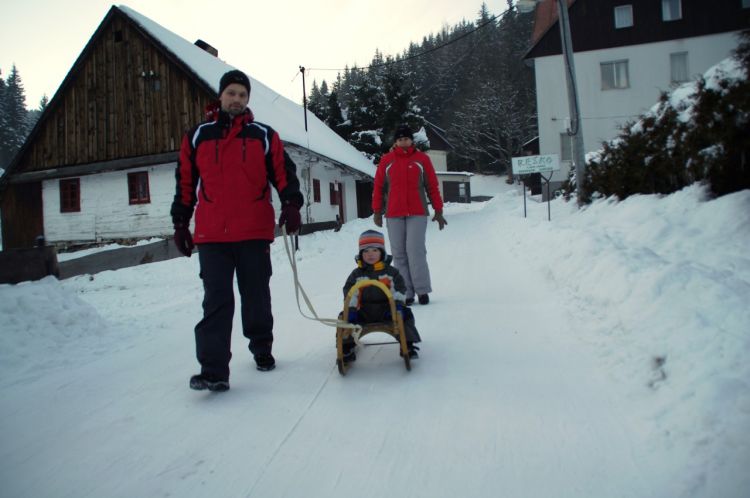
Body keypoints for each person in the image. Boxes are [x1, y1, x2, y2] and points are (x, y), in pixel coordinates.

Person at [170, 69, 304, 392]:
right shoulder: (197, 136)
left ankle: (261, 347)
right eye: (231, 93)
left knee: (256, 295)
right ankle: (214, 369)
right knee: (216, 300)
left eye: (242, 95)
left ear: (247, 101)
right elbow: (185, 183)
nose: (237, 99)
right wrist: (180, 223)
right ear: (220, 96)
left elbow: (283, 173)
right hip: (213, 234)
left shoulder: (263, 135)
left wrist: (291, 204)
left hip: (253, 231)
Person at [372, 124, 446, 306]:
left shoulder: (422, 160)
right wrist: (377, 211)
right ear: (395, 142)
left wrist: (438, 210)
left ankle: (422, 291)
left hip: (417, 212)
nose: (403, 142)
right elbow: (379, 187)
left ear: (411, 140)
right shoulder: (386, 161)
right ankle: (406, 292)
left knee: (416, 252)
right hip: (393, 213)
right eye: (399, 139)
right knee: (399, 254)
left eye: (406, 139)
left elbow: (432, 186)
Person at [341, 230, 422, 363]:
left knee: (406, 315)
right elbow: (350, 292)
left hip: (387, 310)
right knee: (343, 318)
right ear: (361, 254)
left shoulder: (391, 273)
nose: (370, 254)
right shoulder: (356, 274)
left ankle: (407, 344)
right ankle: (347, 346)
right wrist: (351, 310)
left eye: (374, 250)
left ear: (382, 252)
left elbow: (400, 288)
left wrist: (397, 306)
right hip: (364, 311)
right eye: (366, 251)